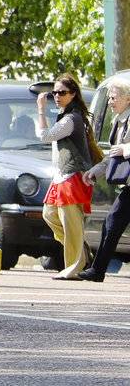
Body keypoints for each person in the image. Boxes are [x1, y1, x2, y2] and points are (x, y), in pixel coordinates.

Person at [38, 73, 95, 280]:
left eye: (62, 92)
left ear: (73, 94)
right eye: (55, 92)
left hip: (73, 177)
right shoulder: (65, 115)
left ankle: (74, 268)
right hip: (61, 176)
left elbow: (45, 136)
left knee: (71, 224)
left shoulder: (72, 118)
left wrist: (41, 110)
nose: (57, 96)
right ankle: (82, 250)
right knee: (49, 214)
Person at [80, 77, 130, 283]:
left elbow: (121, 151)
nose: (110, 101)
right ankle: (97, 270)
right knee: (112, 222)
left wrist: (126, 149)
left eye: (114, 97)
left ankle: (97, 270)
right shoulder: (117, 121)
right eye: (109, 97)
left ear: (128, 98)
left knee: (113, 222)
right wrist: (95, 171)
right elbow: (112, 156)